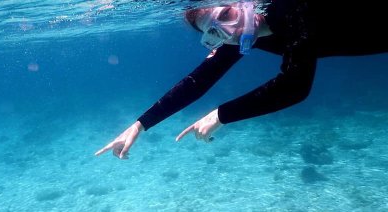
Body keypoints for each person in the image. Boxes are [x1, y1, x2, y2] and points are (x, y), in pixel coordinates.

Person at [95, 0, 388, 159]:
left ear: (243, 4)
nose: (230, 28)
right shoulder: (243, 36)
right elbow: (200, 80)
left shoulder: (292, 8)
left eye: (226, 13)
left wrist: (222, 115)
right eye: (217, 31)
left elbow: (295, 86)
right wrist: (140, 124)